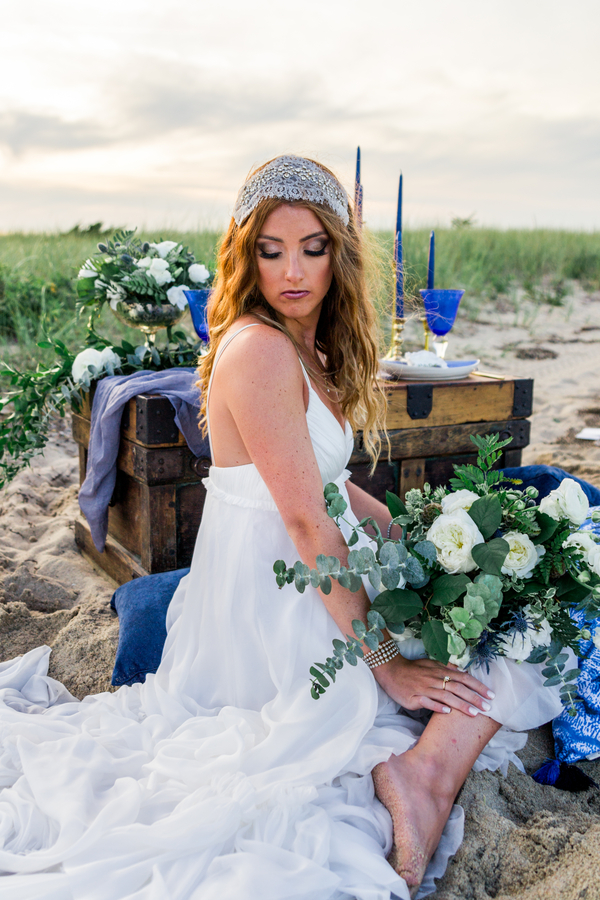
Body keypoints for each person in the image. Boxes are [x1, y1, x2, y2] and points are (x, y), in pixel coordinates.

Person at [0, 156, 567, 900]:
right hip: (279, 603)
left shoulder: (310, 341)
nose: (293, 270)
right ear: (246, 254)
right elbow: (302, 520)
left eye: (313, 247)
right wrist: (387, 660)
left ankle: (428, 768)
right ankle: (422, 775)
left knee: (514, 608)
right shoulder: (260, 349)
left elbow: (318, 482)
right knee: (508, 639)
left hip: (319, 559)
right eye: (270, 251)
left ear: (339, 251)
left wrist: (393, 521)